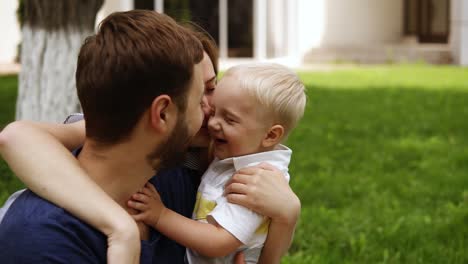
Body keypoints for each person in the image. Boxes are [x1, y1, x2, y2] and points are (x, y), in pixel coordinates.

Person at [0, 11, 300, 264]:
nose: (210, 114)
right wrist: (121, 229)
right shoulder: (43, 242)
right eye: (201, 99)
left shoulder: (176, 173)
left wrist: (286, 216)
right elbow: (17, 136)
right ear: (162, 114)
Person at [128, 63, 306, 263]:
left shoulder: (254, 181)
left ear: (270, 135)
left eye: (229, 120)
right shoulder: (237, 153)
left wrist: (160, 215)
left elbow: (219, 242)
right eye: (214, 112)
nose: (212, 123)